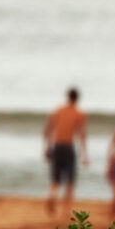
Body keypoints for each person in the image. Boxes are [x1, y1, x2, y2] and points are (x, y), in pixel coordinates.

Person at [43, 87, 88, 216]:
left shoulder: (58, 110)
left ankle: (51, 196)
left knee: (55, 178)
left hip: (57, 146)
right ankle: (66, 210)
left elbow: (48, 129)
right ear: (77, 98)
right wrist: (84, 154)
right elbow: (81, 134)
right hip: (68, 146)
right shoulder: (79, 113)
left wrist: (46, 147)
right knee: (70, 180)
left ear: (67, 96)